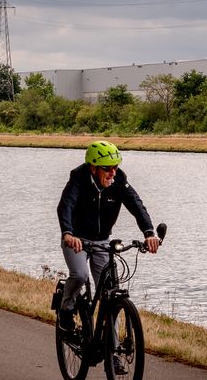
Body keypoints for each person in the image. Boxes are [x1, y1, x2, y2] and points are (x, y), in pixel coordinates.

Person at [56, 140, 159, 329]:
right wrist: (67, 233)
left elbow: (136, 204)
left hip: (103, 241)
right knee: (79, 275)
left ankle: (112, 349)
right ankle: (66, 309)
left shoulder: (118, 179)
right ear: (93, 168)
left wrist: (149, 232)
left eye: (116, 167)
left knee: (110, 294)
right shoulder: (79, 177)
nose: (113, 172)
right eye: (107, 168)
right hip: (77, 240)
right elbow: (66, 206)